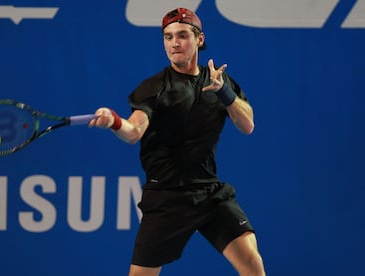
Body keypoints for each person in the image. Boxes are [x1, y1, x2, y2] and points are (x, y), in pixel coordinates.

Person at [89, 7, 265, 276]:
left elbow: (248, 125)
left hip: (209, 193)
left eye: (182, 35)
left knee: (251, 261)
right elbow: (134, 131)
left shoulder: (218, 81)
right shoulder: (154, 87)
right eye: (168, 37)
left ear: (199, 40)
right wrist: (114, 121)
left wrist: (224, 92)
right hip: (167, 196)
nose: (174, 44)